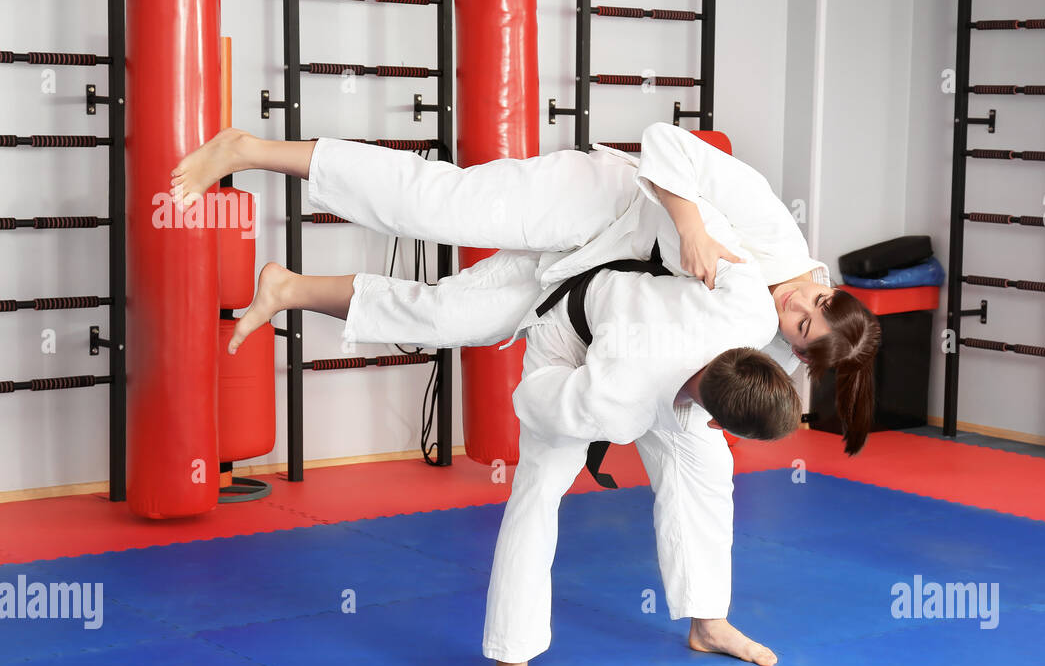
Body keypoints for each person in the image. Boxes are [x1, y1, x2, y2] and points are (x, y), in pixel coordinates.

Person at [171, 122, 881, 453]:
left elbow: (706, 392)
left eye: (800, 330)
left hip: (593, 283)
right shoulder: (771, 227)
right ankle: (249, 150)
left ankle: (289, 287)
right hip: (598, 203)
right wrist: (689, 224)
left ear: (797, 351)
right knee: (438, 206)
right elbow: (665, 142)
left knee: (456, 321)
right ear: (828, 289)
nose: (794, 309)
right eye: (814, 304)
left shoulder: (769, 347)